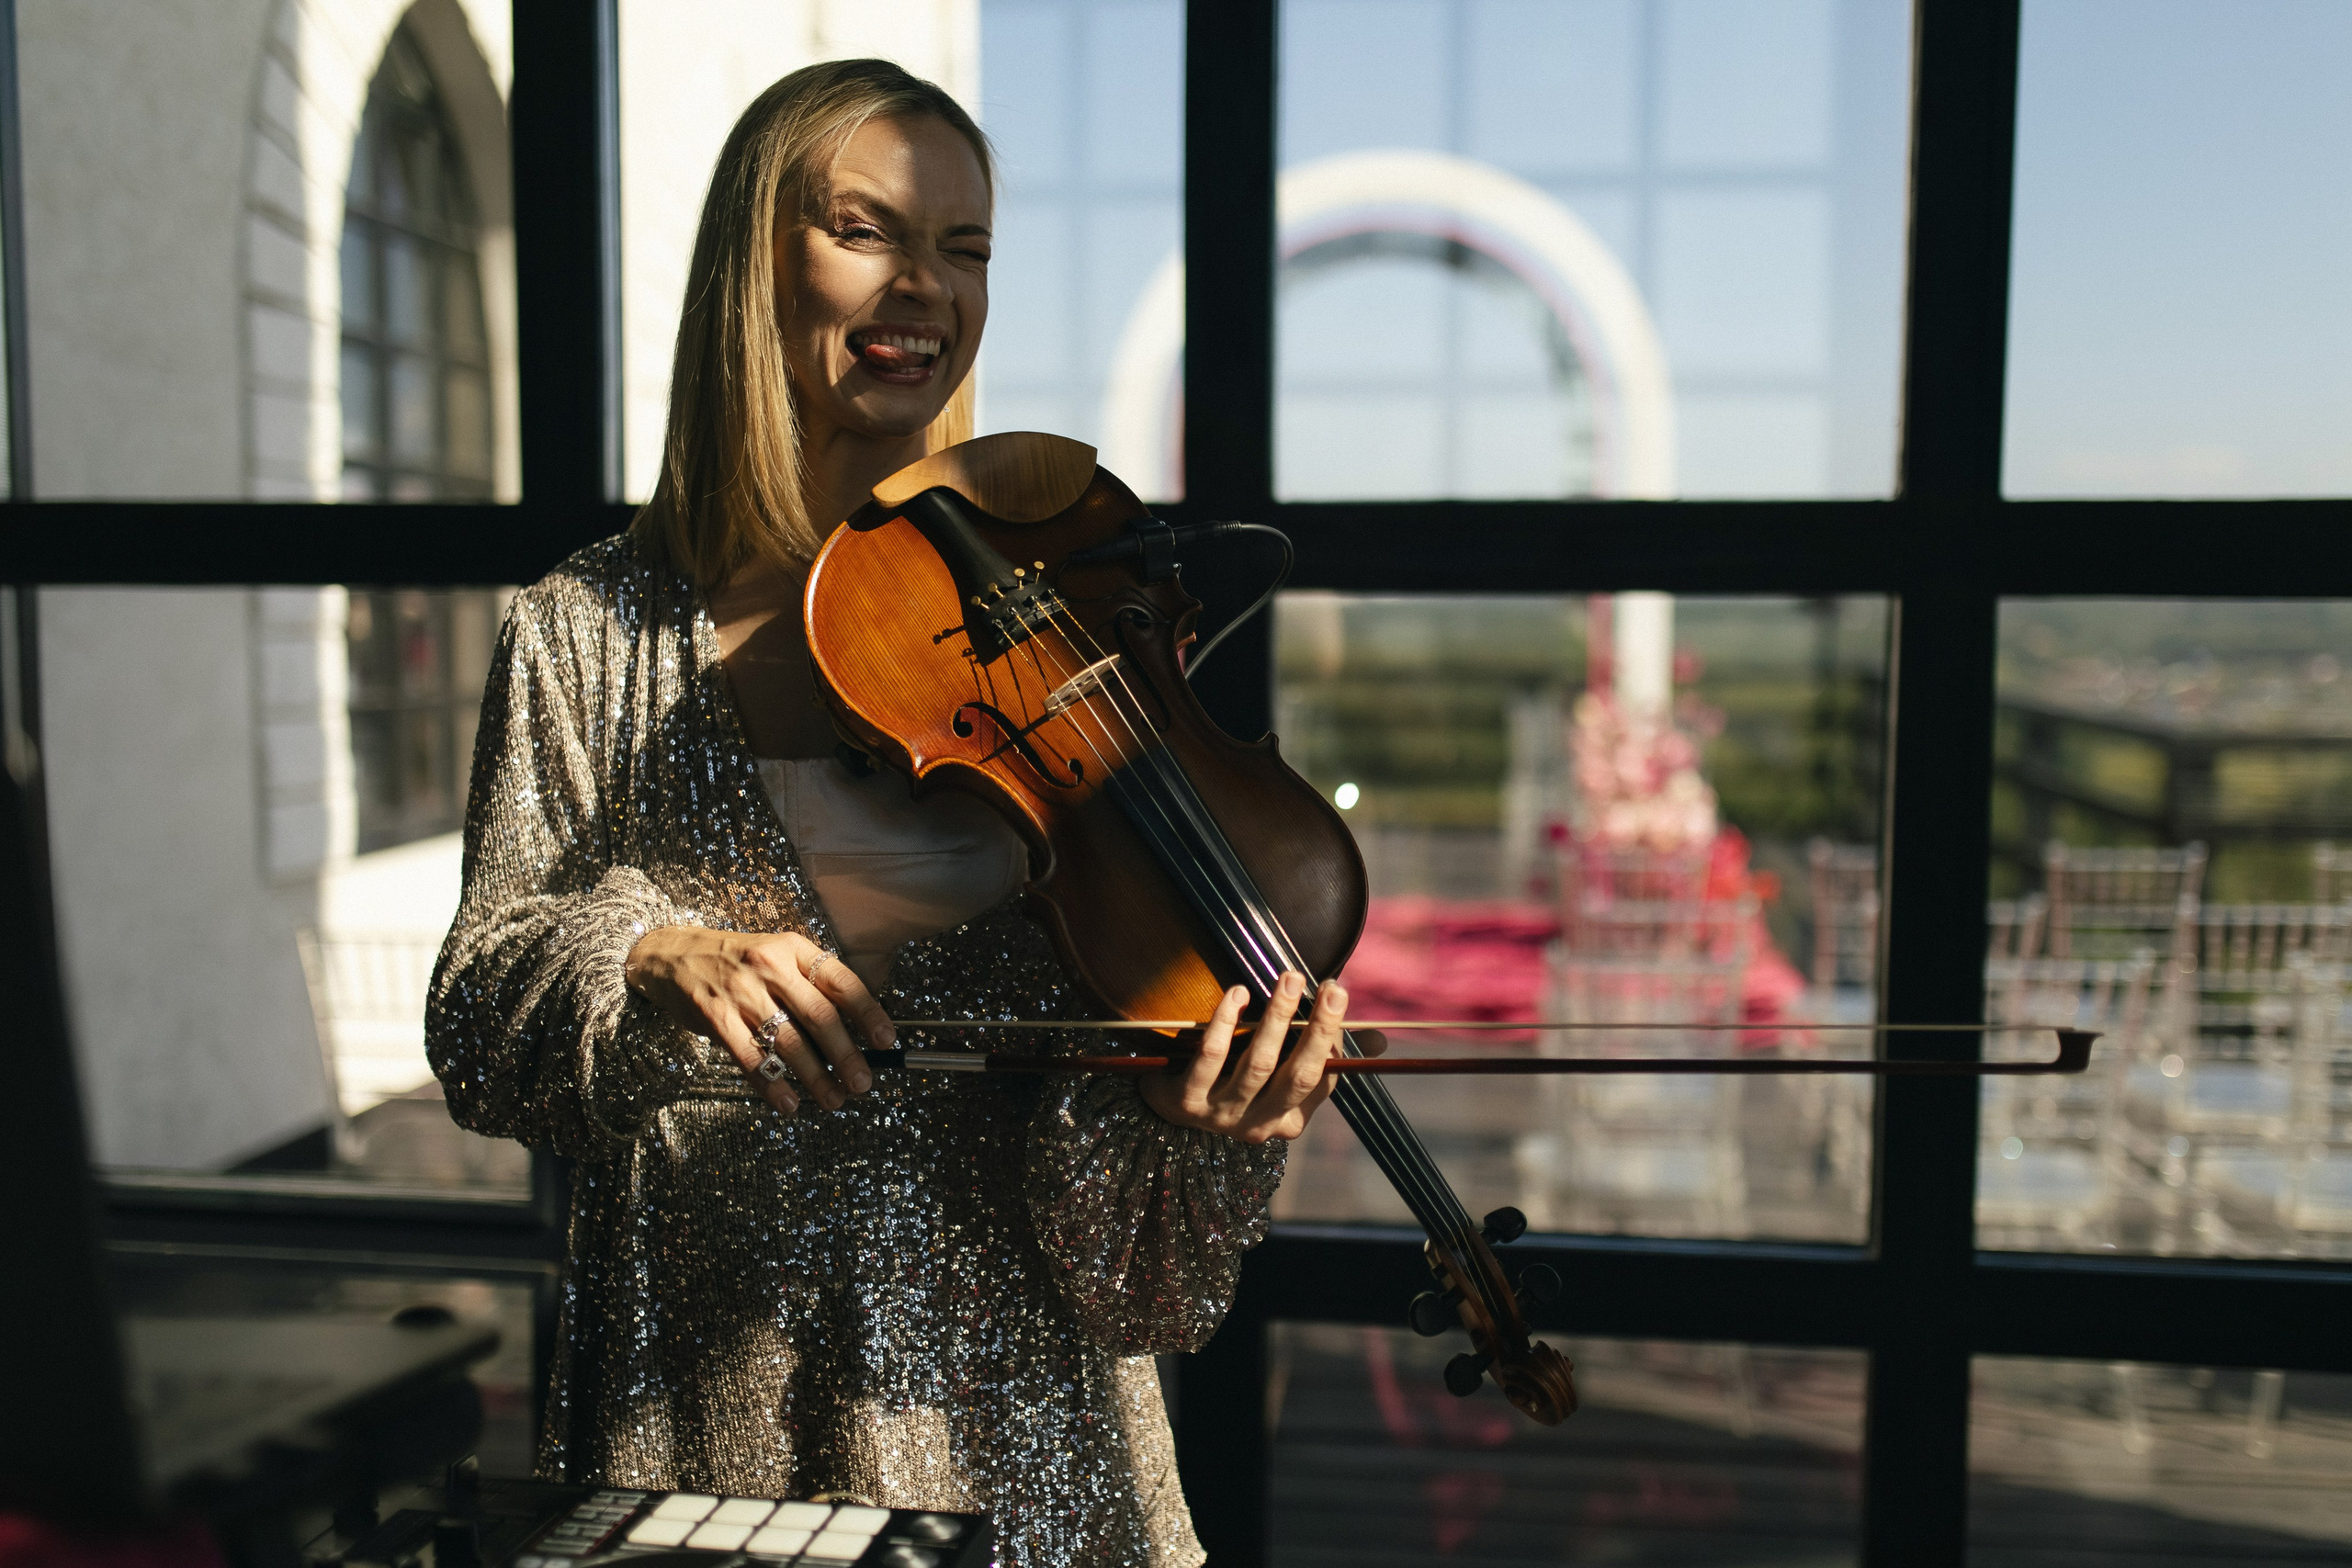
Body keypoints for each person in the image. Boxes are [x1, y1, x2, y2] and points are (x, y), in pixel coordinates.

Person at [426, 58, 1377, 1568]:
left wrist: (1194, 1123)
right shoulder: (585, 632)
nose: (923, 285)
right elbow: (479, 1022)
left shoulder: (1066, 628)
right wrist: (650, 953)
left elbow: (1147, 1287)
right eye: (868, 230)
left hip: (1034, 1457)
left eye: (967, 246)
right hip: (697, 1440)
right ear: (759, 260)